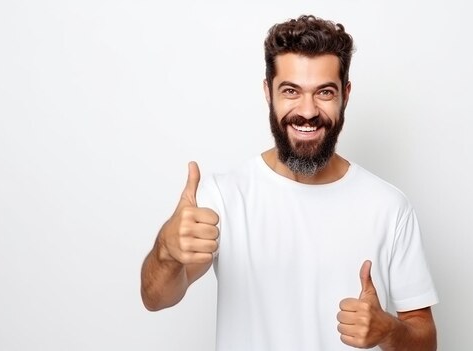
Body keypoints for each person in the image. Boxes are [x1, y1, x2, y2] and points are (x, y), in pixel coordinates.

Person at [140, 14, 439, 350]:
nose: (308, 111)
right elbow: (156, 298)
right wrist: (166, 250)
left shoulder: (389, 206)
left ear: (346, 95)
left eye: (324, 92)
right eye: (291, 91)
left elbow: (425, 339)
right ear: (269, 92)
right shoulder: (223, 197)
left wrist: (388, 331)